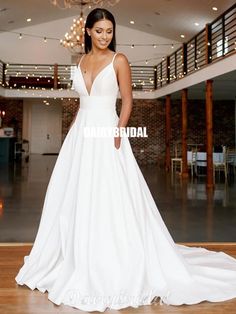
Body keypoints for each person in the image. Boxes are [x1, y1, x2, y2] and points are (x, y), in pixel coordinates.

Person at [15, 7, 236, 312]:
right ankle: (79, 254)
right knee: (75, 195)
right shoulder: (78, 62)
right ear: (88, 32)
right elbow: (82, 104)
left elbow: (128, 99)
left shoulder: (119, 60)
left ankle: (114, 255)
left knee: (110, 192)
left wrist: (119, 132)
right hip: (80, 136)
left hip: (107, 131)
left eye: (109, 31)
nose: (105, 36)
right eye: (99, 30)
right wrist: (72, 132)